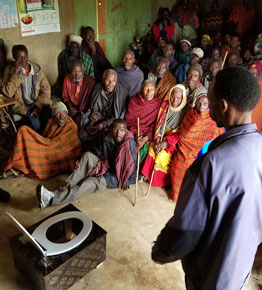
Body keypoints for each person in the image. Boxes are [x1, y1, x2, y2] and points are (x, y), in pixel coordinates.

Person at [151, 67, 262, 290]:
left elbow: (184, 232)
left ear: (223, 106)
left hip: (209, 273)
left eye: (210, 103)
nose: (207, 107)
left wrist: (160, 251)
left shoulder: (211, 164)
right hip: (240, 269)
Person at [36, 119, 137, 208]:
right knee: (87, 156)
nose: (118, 133)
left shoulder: (129, 144)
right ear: (111, 130)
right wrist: (79, 161)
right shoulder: (107, 136)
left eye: (122, 130)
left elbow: (132, 165)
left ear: (126, 131)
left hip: (115, 175)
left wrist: (126, 180)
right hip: (106, 165)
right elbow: (95, 150)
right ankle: (65, 189)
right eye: (115, 129)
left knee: (89, 183)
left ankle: (51, 199)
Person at [1, 102, 82, 180]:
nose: (62, 117)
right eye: (58, 114)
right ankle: (18, 166)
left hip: (60, 155)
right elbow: (45, 138)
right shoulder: (51, 121)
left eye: (64, 113)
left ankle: (19, 167)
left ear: (67, 113)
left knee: (35, 156)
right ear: (54, 115)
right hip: (48, 147)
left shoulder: (72, 126)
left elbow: (74, 147)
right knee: (23, 130)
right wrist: (42, 146)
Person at [169, 94, 223, 202]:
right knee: (177, 167)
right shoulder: (190, 114)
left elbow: (217, 138)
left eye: (205, 103)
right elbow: (183, 133)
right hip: (184, 150)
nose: (202, 106)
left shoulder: (212, 120)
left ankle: (188, 198)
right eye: (199, 103)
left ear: (209, 105)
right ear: (195, 103)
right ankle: (176, 196)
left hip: (200, 155)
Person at [141, 84, 187, 187]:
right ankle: (148, 175)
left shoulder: (185, 111)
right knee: (153, 148)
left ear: (183, 99)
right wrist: (158, 139)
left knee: (162, 154)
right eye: (173, 96)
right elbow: (159, 123)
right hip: (161, 135)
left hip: (172, 140)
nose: (174, 100)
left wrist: (165, 142)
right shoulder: (165, 105)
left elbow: (181, 133)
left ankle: (159, 181)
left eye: (178, 98)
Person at [2, 45, 52, 133]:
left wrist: (37, 106)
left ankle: (44, 140)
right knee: (36, 123)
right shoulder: (9, 71)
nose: (23, 60)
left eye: (25, 57)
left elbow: (46, 90)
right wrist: (15, 73)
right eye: (20, 58)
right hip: (22, 106)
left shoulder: (36, 71)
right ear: (15, 58)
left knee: (48, 116)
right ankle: (37, 141)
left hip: (37, 103)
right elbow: (7, 93)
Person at [79, 69, 128, 148]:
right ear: (103, 80)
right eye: (107, 80)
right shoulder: (98, 87)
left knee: (105, 137)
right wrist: (92, 122)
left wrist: (102, 125)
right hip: (98, 118)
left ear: (116, 81)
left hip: (112, 122)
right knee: (83, 134)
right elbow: (94, 109)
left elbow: (118, 117)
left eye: (113, 81)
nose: (110, 84)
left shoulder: (121, 92)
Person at [125, 80, 162, 160]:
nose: (149, 92)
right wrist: (135, 136)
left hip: (148, 135)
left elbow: (157, 124)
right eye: (146, 89)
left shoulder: (158, 103)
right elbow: (129, 121)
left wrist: (145, 138)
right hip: (134, 133)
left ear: (155, 91)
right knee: (128, 145)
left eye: (151, 89)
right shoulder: (134, 101)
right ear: (141, 90)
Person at [62, 60, 96, 124]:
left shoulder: (90, 82)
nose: (77, 74)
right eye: (74, 71)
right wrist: (70, 107)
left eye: (79, 71)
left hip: (85, 110)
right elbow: (65, 98)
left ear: (83, 71)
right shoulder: (67, 79)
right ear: (70, 72)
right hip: (71, 107)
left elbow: (92, 103)